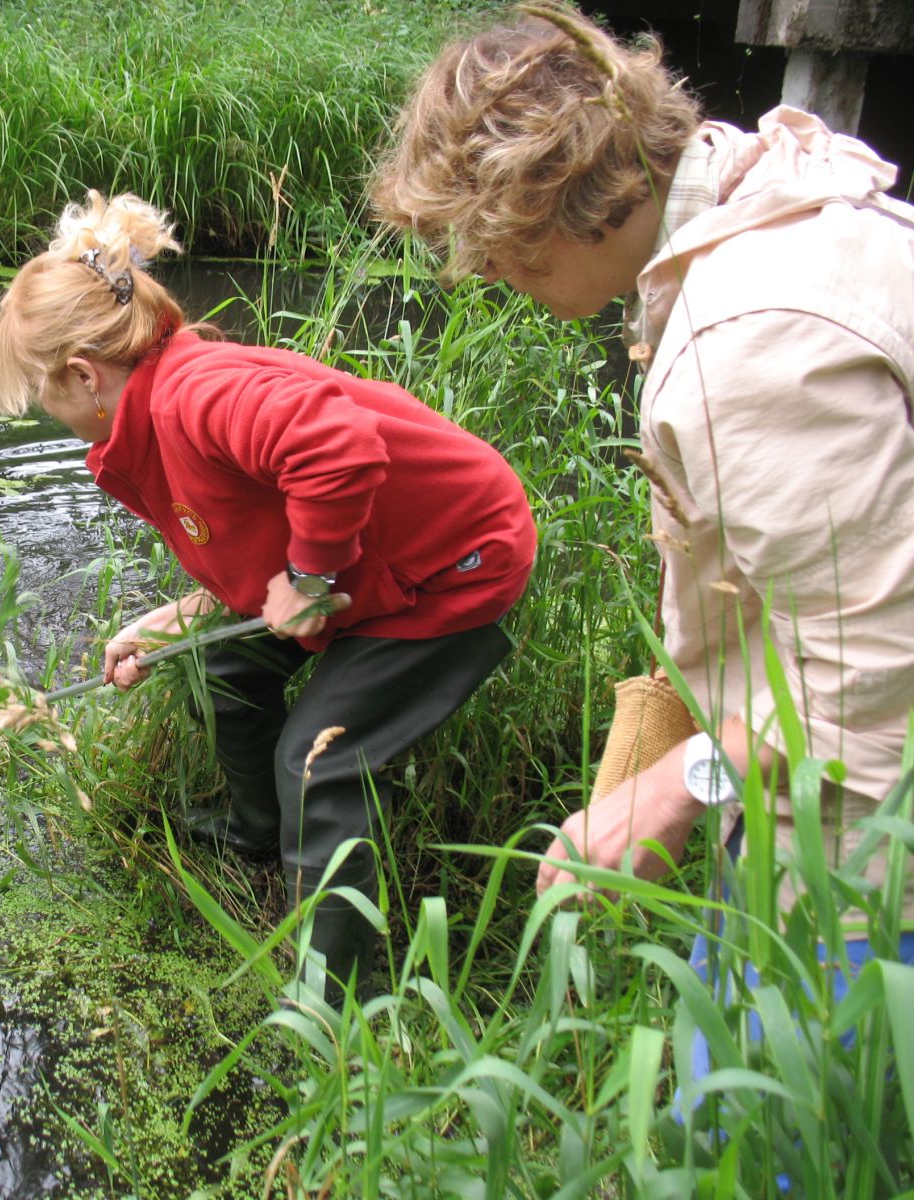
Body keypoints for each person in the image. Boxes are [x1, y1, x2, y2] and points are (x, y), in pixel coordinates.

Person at [370, 3, 914, 943]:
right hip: (825, 800)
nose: (484, 272)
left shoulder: (750, 337)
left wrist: (679, 786)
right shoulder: (772, 194)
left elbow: (871, 678)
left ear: (543, 199)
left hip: (864, 875)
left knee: (748, 1082)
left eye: (485, 239)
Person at [0, 190, 537, 998]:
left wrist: (311, 580)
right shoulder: (144, 423)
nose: (52, 417)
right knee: (226, 672)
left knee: (321, 760)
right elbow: (253, 549)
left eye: (45, 399)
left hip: (453, 561)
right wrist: (175, 621)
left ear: (81, 375)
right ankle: (261, 845)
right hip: (359, 566)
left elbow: (337, 449)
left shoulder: (194, 394)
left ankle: (337, 1003)